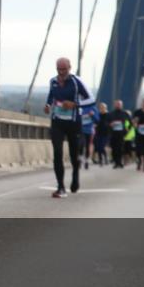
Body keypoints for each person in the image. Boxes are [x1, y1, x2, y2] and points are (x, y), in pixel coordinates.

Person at [43, 57, 94, 197]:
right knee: (57, 153)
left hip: (73, 123)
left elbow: (91, 99)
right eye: (58, 69)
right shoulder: (53, 81)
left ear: (70, 68)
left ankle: (75, 176)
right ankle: (60, 187)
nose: (61, 72)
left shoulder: (76, 82)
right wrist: (48, 105)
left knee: (74, 155)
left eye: (63, 69)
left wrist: (75, 105)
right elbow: (51, 96)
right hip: (57, 122)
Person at [106, 100, 132, 168]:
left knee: (120, 148)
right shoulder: (110, 114)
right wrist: (110, 124)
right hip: (113, 134)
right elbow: (106, 123)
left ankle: (119, 162)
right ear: (114, 105)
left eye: (119, 104)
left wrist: (127, 129)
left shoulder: (125, 114)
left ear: (122, 105)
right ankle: (115, 162)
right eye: (117, 104)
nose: (118, 105)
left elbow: (130, 123)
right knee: (114, 148)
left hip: (121, 134)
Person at [79, 102, 99, 170]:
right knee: (81, 144)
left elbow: (97, 120)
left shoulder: (93, 108)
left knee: (87, 146)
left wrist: (92, 115)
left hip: (89, 130)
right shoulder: (80, 107)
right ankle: (80, 158)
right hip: (81, 129)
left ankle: (86, 160)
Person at [93, 102, 111, 166]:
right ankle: (101, 160)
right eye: (100, 107)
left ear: (105, 108)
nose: (101, 108)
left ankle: (105, 158)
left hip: (106, 133)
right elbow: (95, 121)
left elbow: (110, 123)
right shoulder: (98, 114)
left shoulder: (108, 114)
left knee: (102, 147)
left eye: (103, 107)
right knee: (98, 147)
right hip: (98, 133)